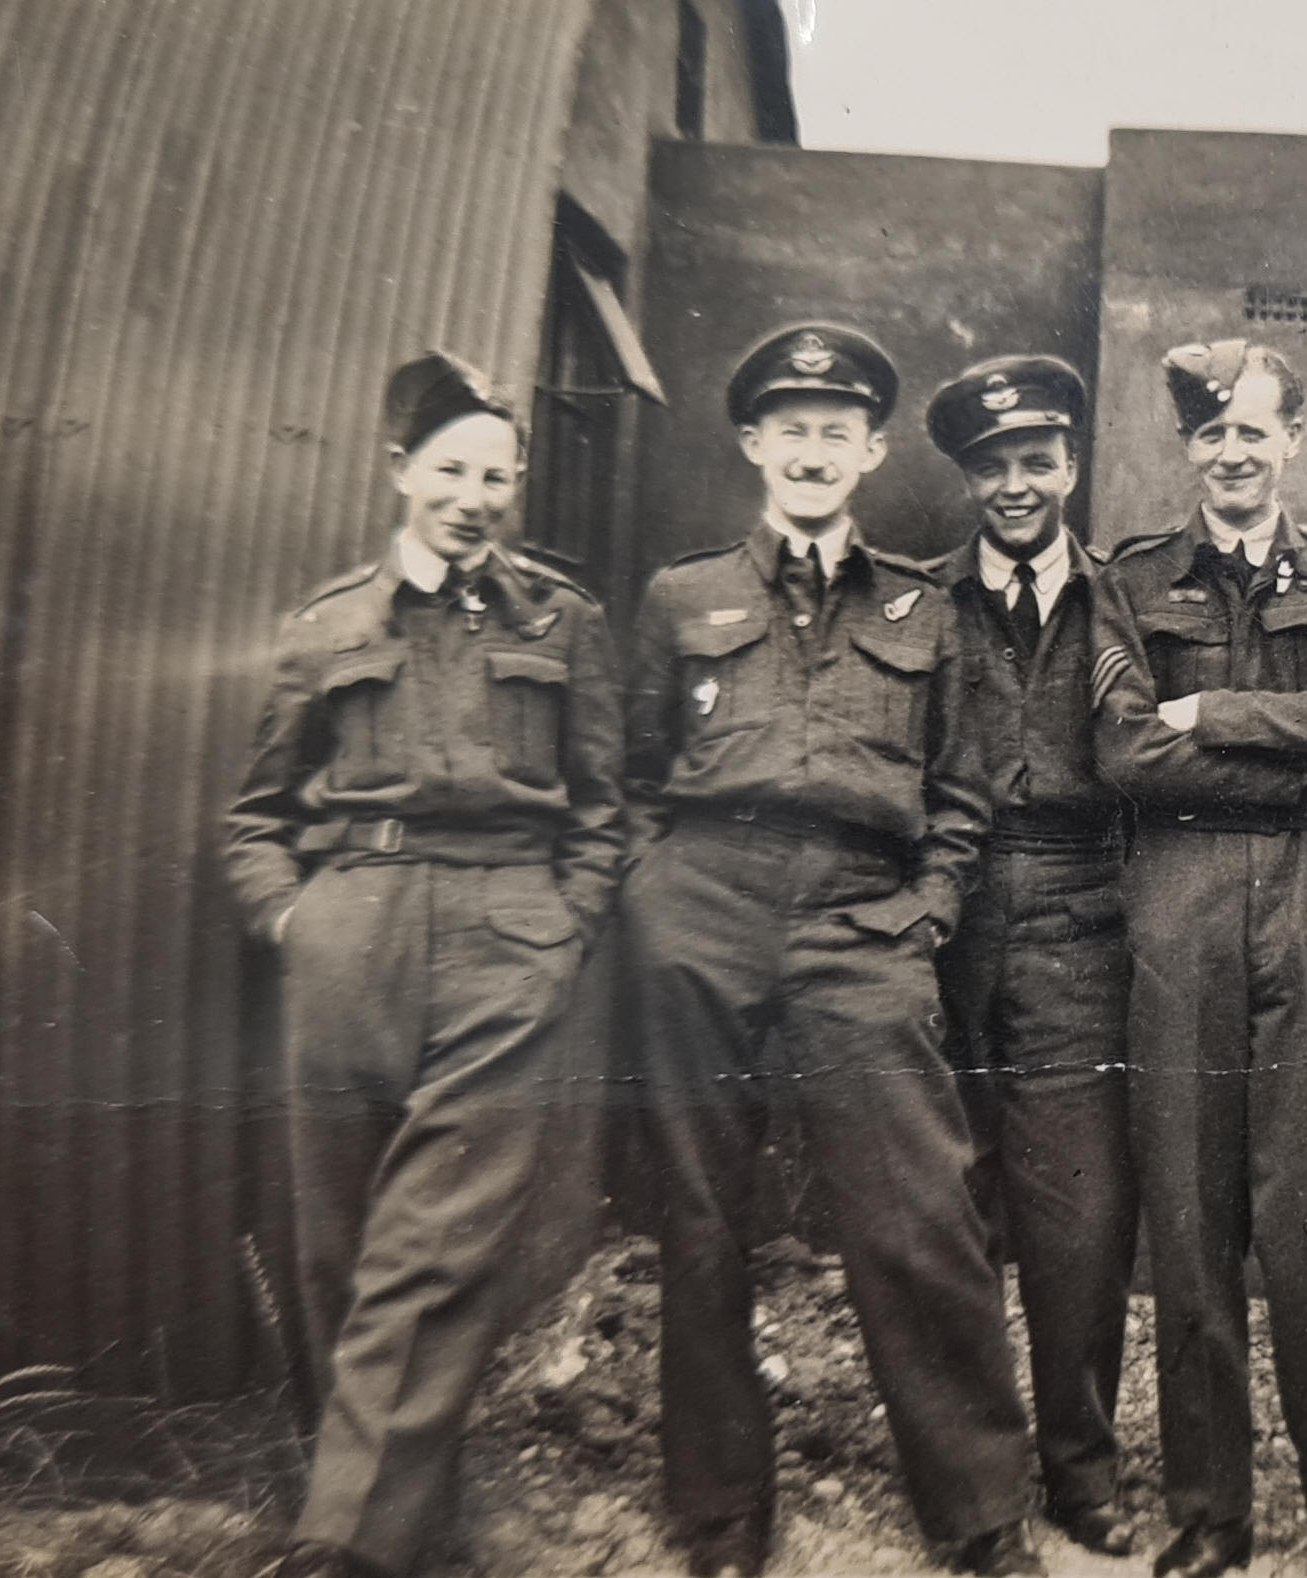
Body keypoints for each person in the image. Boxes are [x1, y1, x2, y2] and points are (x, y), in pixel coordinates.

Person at [620, 323, 1043, 1578]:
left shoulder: (925, 605)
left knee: (917, 1216)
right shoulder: (682, 596)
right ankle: (718, 1516)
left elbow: (962, 787)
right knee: (702, 1223)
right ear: (755, 446)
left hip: (863, 924)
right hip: (701, 918)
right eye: (789, 429)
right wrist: (656, 899)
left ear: (870, 451)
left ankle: (977, 1512)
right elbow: (632, 778)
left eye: (836, 432)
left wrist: (930, 906)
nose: (813, 451)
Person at [222, 352, 626, 1578]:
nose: (475, 494)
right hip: (350, 932)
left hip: (506, 939)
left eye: (497, 474)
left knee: (435, 1247)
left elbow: (605, 810)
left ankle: (342, 1542)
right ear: (400, 472)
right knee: (337, 1242)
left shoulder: (565, 623)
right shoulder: (327, 626)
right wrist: (292, 921)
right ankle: (397, 1510)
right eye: (450, 469)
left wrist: (560, 930)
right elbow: (255, 813)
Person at [1092, 338, 1307, 1578]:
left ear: (1295, 442)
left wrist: (1212, 712)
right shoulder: (1133, 578)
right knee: (1189, 1203)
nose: (1235, 453)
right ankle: (1210, 1513)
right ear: (1189, 448)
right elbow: (1124, 753)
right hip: (1178, 896)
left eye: (1256, 431)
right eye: (1213, 434)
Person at [923, 355, 1142, 1559]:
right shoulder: (918, 603)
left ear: (1070, 467)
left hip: (1078, 907)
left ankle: (1080, 1468)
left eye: (1035, 462)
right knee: (948, 1205)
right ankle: (975, 1474)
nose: (1016, 485)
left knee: (1076, 1208)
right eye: (991, 465)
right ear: (968, 477)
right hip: (948, 912)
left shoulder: (1121, 601)